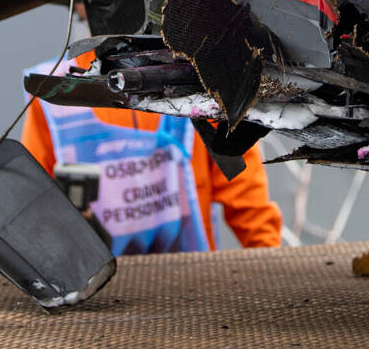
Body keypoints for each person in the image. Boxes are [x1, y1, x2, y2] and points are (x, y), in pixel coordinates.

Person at [21, 51, 282, 255]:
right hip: (96, 303)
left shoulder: (202, 82)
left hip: (195, 296)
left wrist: (273, 268)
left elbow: (247, 201)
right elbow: (33, 215)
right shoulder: (53, 94)